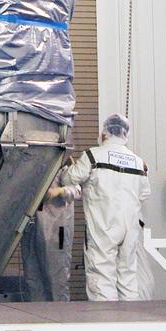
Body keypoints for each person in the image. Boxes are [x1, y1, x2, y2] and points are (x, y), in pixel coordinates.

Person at [66, 114, 150, 301]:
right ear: (125, 134)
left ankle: (106, 317)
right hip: (130, 226)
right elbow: (144, 193)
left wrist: (66, 168)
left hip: (103, 225)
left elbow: (71, 178)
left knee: (101, 276)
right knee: (128, 277)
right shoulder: (138, 162)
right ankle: (130, 317)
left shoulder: (93, 155)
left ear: (105, 133)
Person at [21, 167, 77, 302]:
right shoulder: (30, 164)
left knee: (57, 276)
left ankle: (60, 312)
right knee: (32, 275)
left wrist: (59, 191)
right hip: (32, 225)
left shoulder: (63, 163)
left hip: (57, 228)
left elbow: (77, 189)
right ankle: (35, 312)